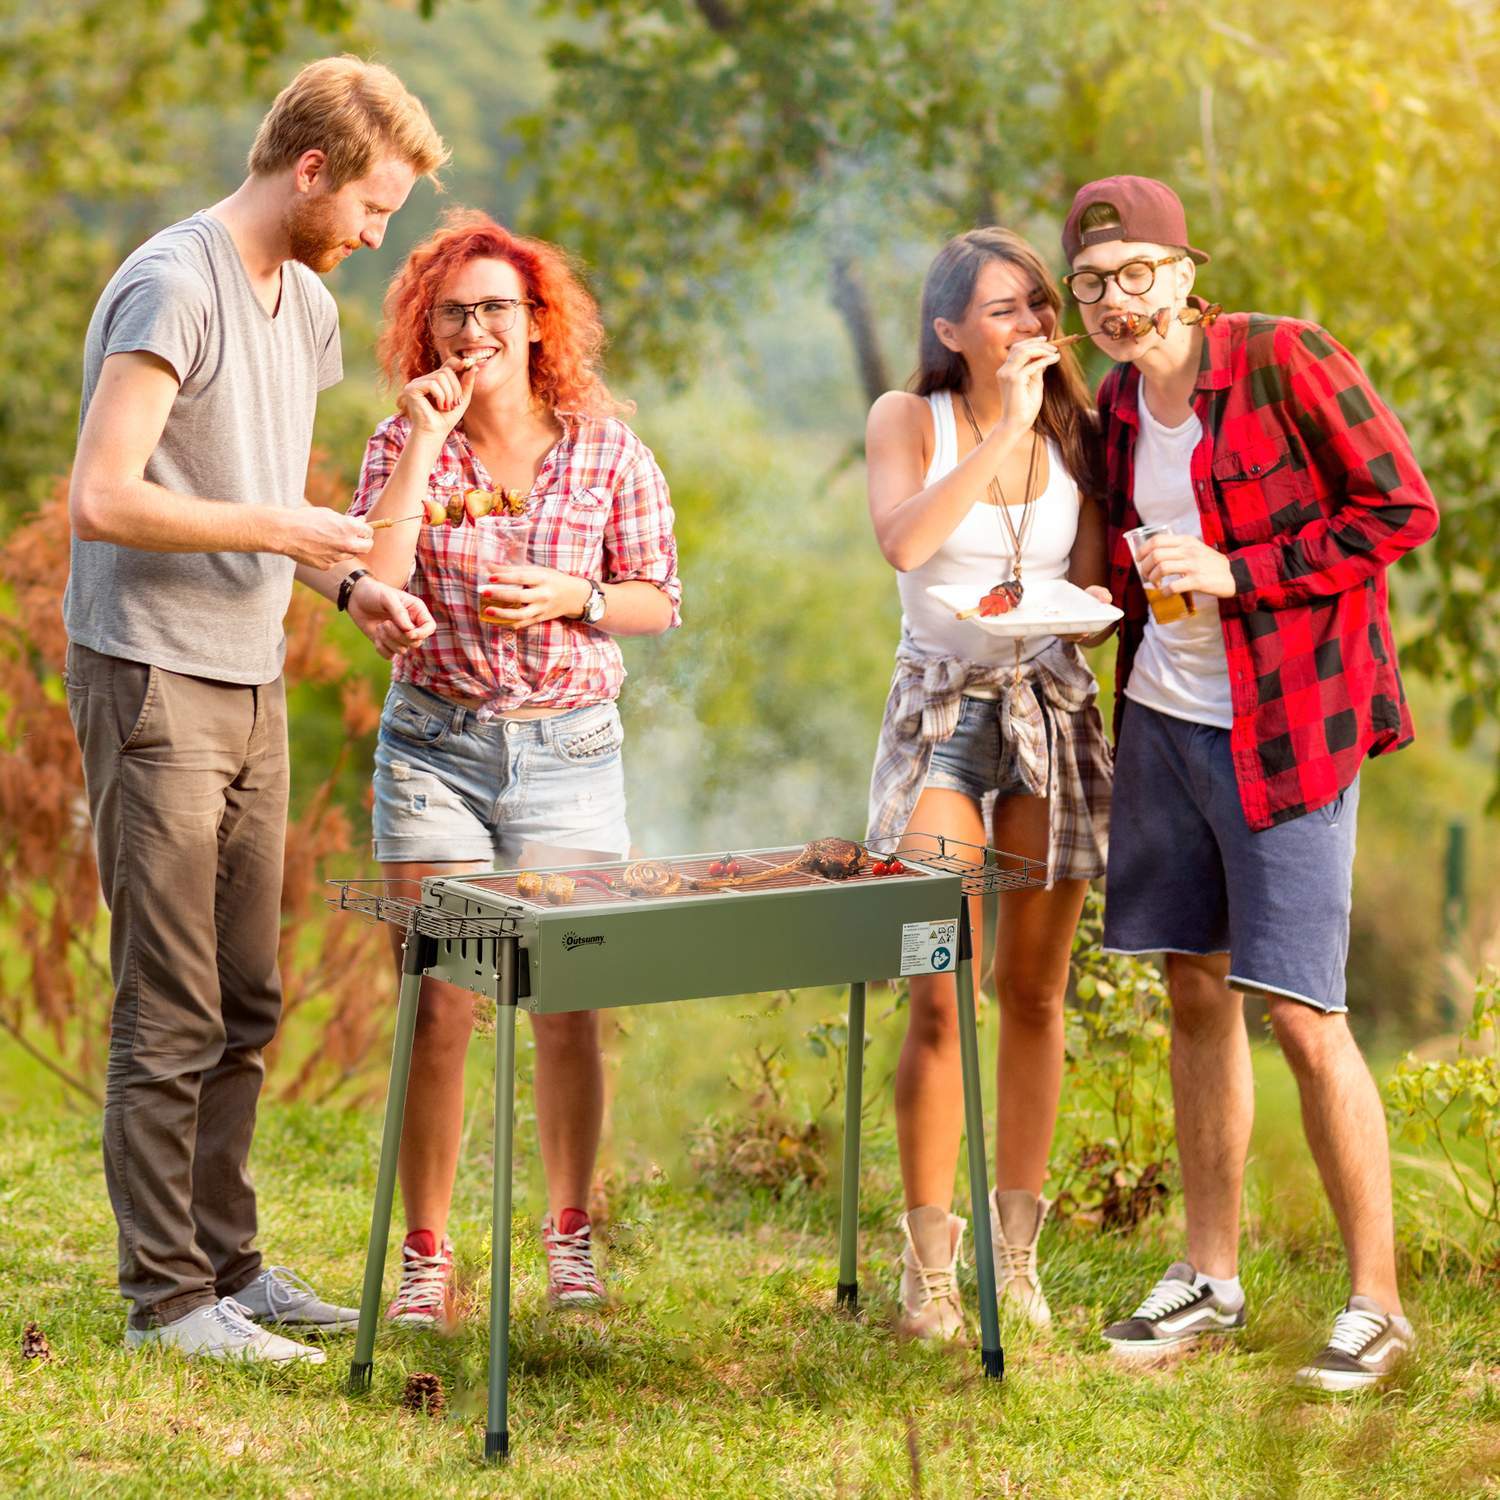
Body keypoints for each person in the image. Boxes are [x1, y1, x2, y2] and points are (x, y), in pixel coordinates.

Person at [64, 56, 447, 1365]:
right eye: (372, 209)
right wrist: (284, 524)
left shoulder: (307, 307)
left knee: (245, 993)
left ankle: (230, 1269)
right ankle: (166, 1302)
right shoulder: (176, 283)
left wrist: (342, 587)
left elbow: (258, 485)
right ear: (311, 169)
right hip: (151, 668)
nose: (374, 236)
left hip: (250, 671)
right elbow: (104, 497)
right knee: (167, 998)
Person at [1063, 176, 1437, 1390]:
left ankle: (1376, 1305)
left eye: (1135, 276)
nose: (1117, 303)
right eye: (1091, 287)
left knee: (1301, 1014)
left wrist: (1244, 570)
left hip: (1290, 729)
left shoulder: (1284, 360)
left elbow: (1400, 509)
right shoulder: (1120, 407)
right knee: (1194, 990)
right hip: (1167, 720)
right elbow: (1131, 565)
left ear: (1185, 268)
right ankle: (1209, 1277)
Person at [349, 210, 681, 1327]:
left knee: (568, 1002)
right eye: (454, 311)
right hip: (434, 746)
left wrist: (573, 596)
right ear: (426, 326)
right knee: (440, 1002)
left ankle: (570, 1236)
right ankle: (428, 1257)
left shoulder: (606, 448)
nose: (475, 327)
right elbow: (374, 581)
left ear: (538, 323)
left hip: (570, 750)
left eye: (496, 307)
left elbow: (656, 598)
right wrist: (427, 443)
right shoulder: (403, 441)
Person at [864, 227, 1114, 1340]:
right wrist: (1003, 425)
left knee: (1034, 991)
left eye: (1036, 307)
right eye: (1003, 310)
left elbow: (1093, 587)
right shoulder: (907, 419)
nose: (1029, 328)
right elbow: (907, 546)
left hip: (1051, 704)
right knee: (937, 983)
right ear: (951, 328)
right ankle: (929, 1266)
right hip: (940, 717)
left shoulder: (1081, 430)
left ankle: (1017, 1259)